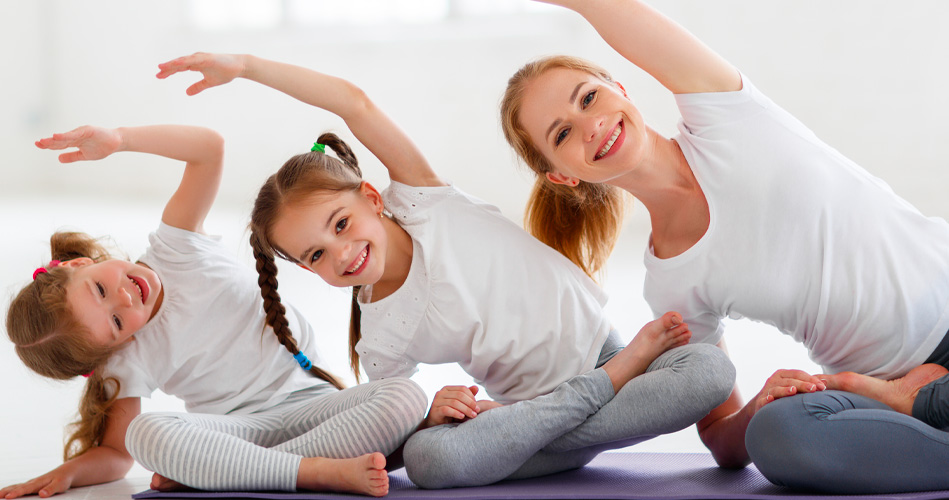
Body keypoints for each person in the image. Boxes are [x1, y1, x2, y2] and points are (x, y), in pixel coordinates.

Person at [154, 51, 735, 489]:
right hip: (528, 417)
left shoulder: (424, 200)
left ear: (372, 198)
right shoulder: (382, 334)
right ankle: (581, 408)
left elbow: (353, 103)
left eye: (339, 224)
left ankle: (599, 389)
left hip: (602, 367)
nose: (341, 254)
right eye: (316, 257)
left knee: (708, 372)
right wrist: (432, 415)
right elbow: (394, 436)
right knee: (434, 462)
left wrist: (247, 65)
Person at [500, 0, 949, 493]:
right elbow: (721, 438)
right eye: (562, 133)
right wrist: (760, 405)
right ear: (563, 175)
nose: (589, 125)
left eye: (588, 98)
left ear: (620, 89)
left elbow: (616, 12)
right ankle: (906, 403)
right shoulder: (672, 283)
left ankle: (925, 408)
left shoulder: (726, 114)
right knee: (780, 435)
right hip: (881, 390)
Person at [2, 124, 427, 499]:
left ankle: (239, 473)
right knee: (146, 435)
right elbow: (116, 454)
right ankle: (310, 472)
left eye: (99, 289)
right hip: (236, 433)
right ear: (115, 346)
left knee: (404, 397)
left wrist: (121, 139)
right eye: (115, 322)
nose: (125, 299)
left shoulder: (176, 245)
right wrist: (68, 472)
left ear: (79, 264)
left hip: (317, 412)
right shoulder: (128, 360)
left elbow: (208, 148)